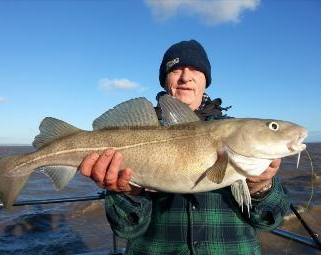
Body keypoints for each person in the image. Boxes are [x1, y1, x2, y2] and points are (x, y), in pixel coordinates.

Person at [79, 40, 290, 255]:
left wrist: (260, 186)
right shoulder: (138, 129)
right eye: (176, 69)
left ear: (205, 80)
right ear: (164, 80)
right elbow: (126, 229)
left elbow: (267, 222)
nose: (186, 76)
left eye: (196, 70)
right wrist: (128, 192)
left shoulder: (237, 134)